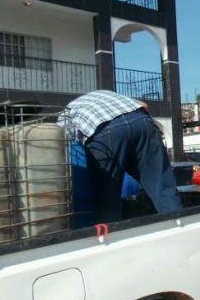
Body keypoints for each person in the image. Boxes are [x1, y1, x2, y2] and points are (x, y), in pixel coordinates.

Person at [57, 90, 181, 222]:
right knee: (163, 187)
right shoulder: (105, 93)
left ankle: (110, 236)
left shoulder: (64, 116)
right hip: (141, 121)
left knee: (107, 198)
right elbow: (143, 104)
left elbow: (64, 148)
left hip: (103, 131)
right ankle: (178, 225)